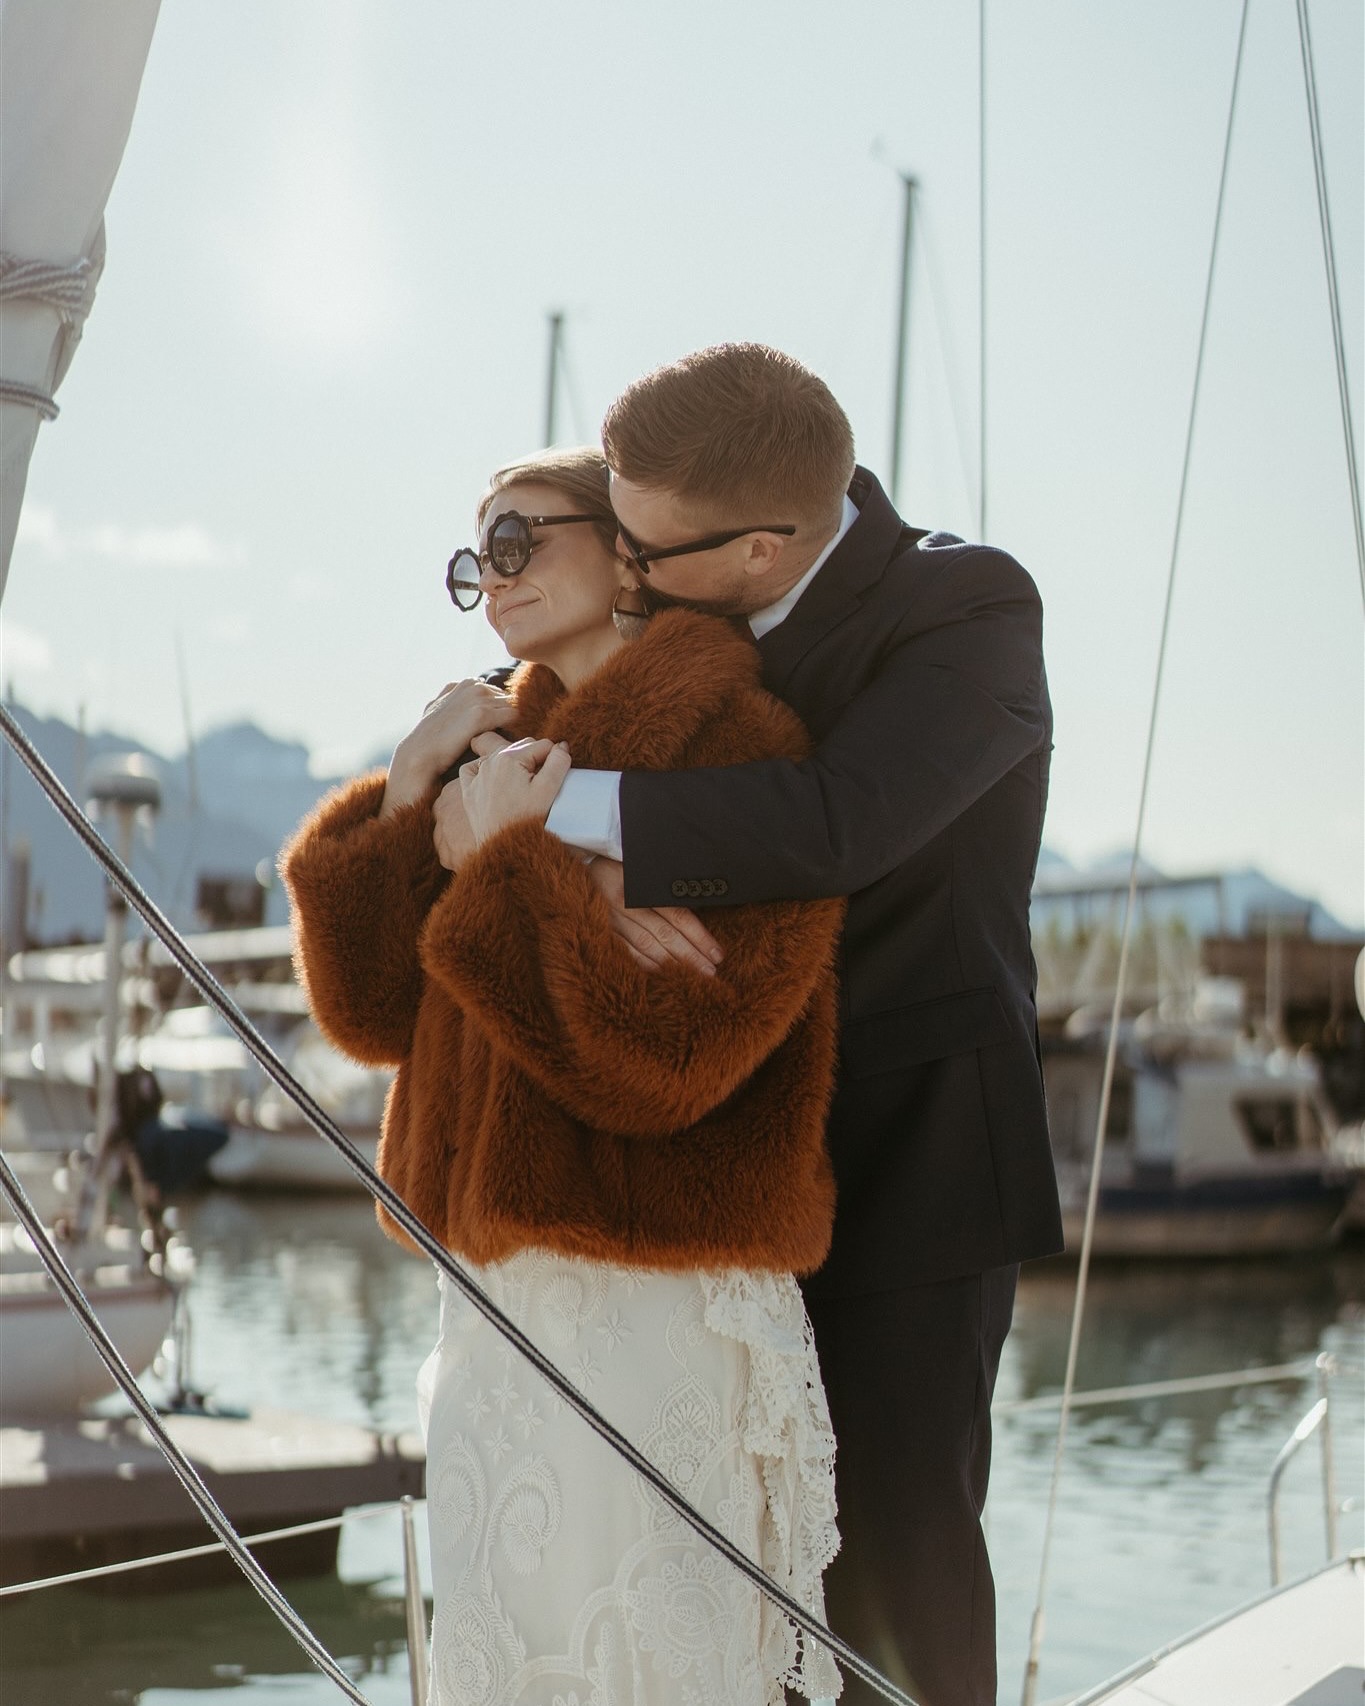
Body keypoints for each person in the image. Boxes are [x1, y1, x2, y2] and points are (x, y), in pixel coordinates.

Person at [473, 346, 1063, 1706]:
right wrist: (499, 786)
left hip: (909, 1160)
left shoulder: (967, 606)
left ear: (759, 547)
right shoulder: (687, 588)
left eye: (641, 544)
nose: (618, 562)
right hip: (719, 1168)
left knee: (894, 1556)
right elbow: (537, 693)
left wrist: (549, 810)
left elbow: (838, 822)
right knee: (736, 1565)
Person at [280, 446, 847, 1706]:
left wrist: (513, 869)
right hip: (496, 1293)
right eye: (475, 557)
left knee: (648, 1648)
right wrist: (412, 786)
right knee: (514, 1640)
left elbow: (670, 1062)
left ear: (630, 543)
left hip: (653, 1294)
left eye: (521, 539)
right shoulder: (485, 761)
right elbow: (371, 1015)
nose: (493, 576)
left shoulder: (736, 748)